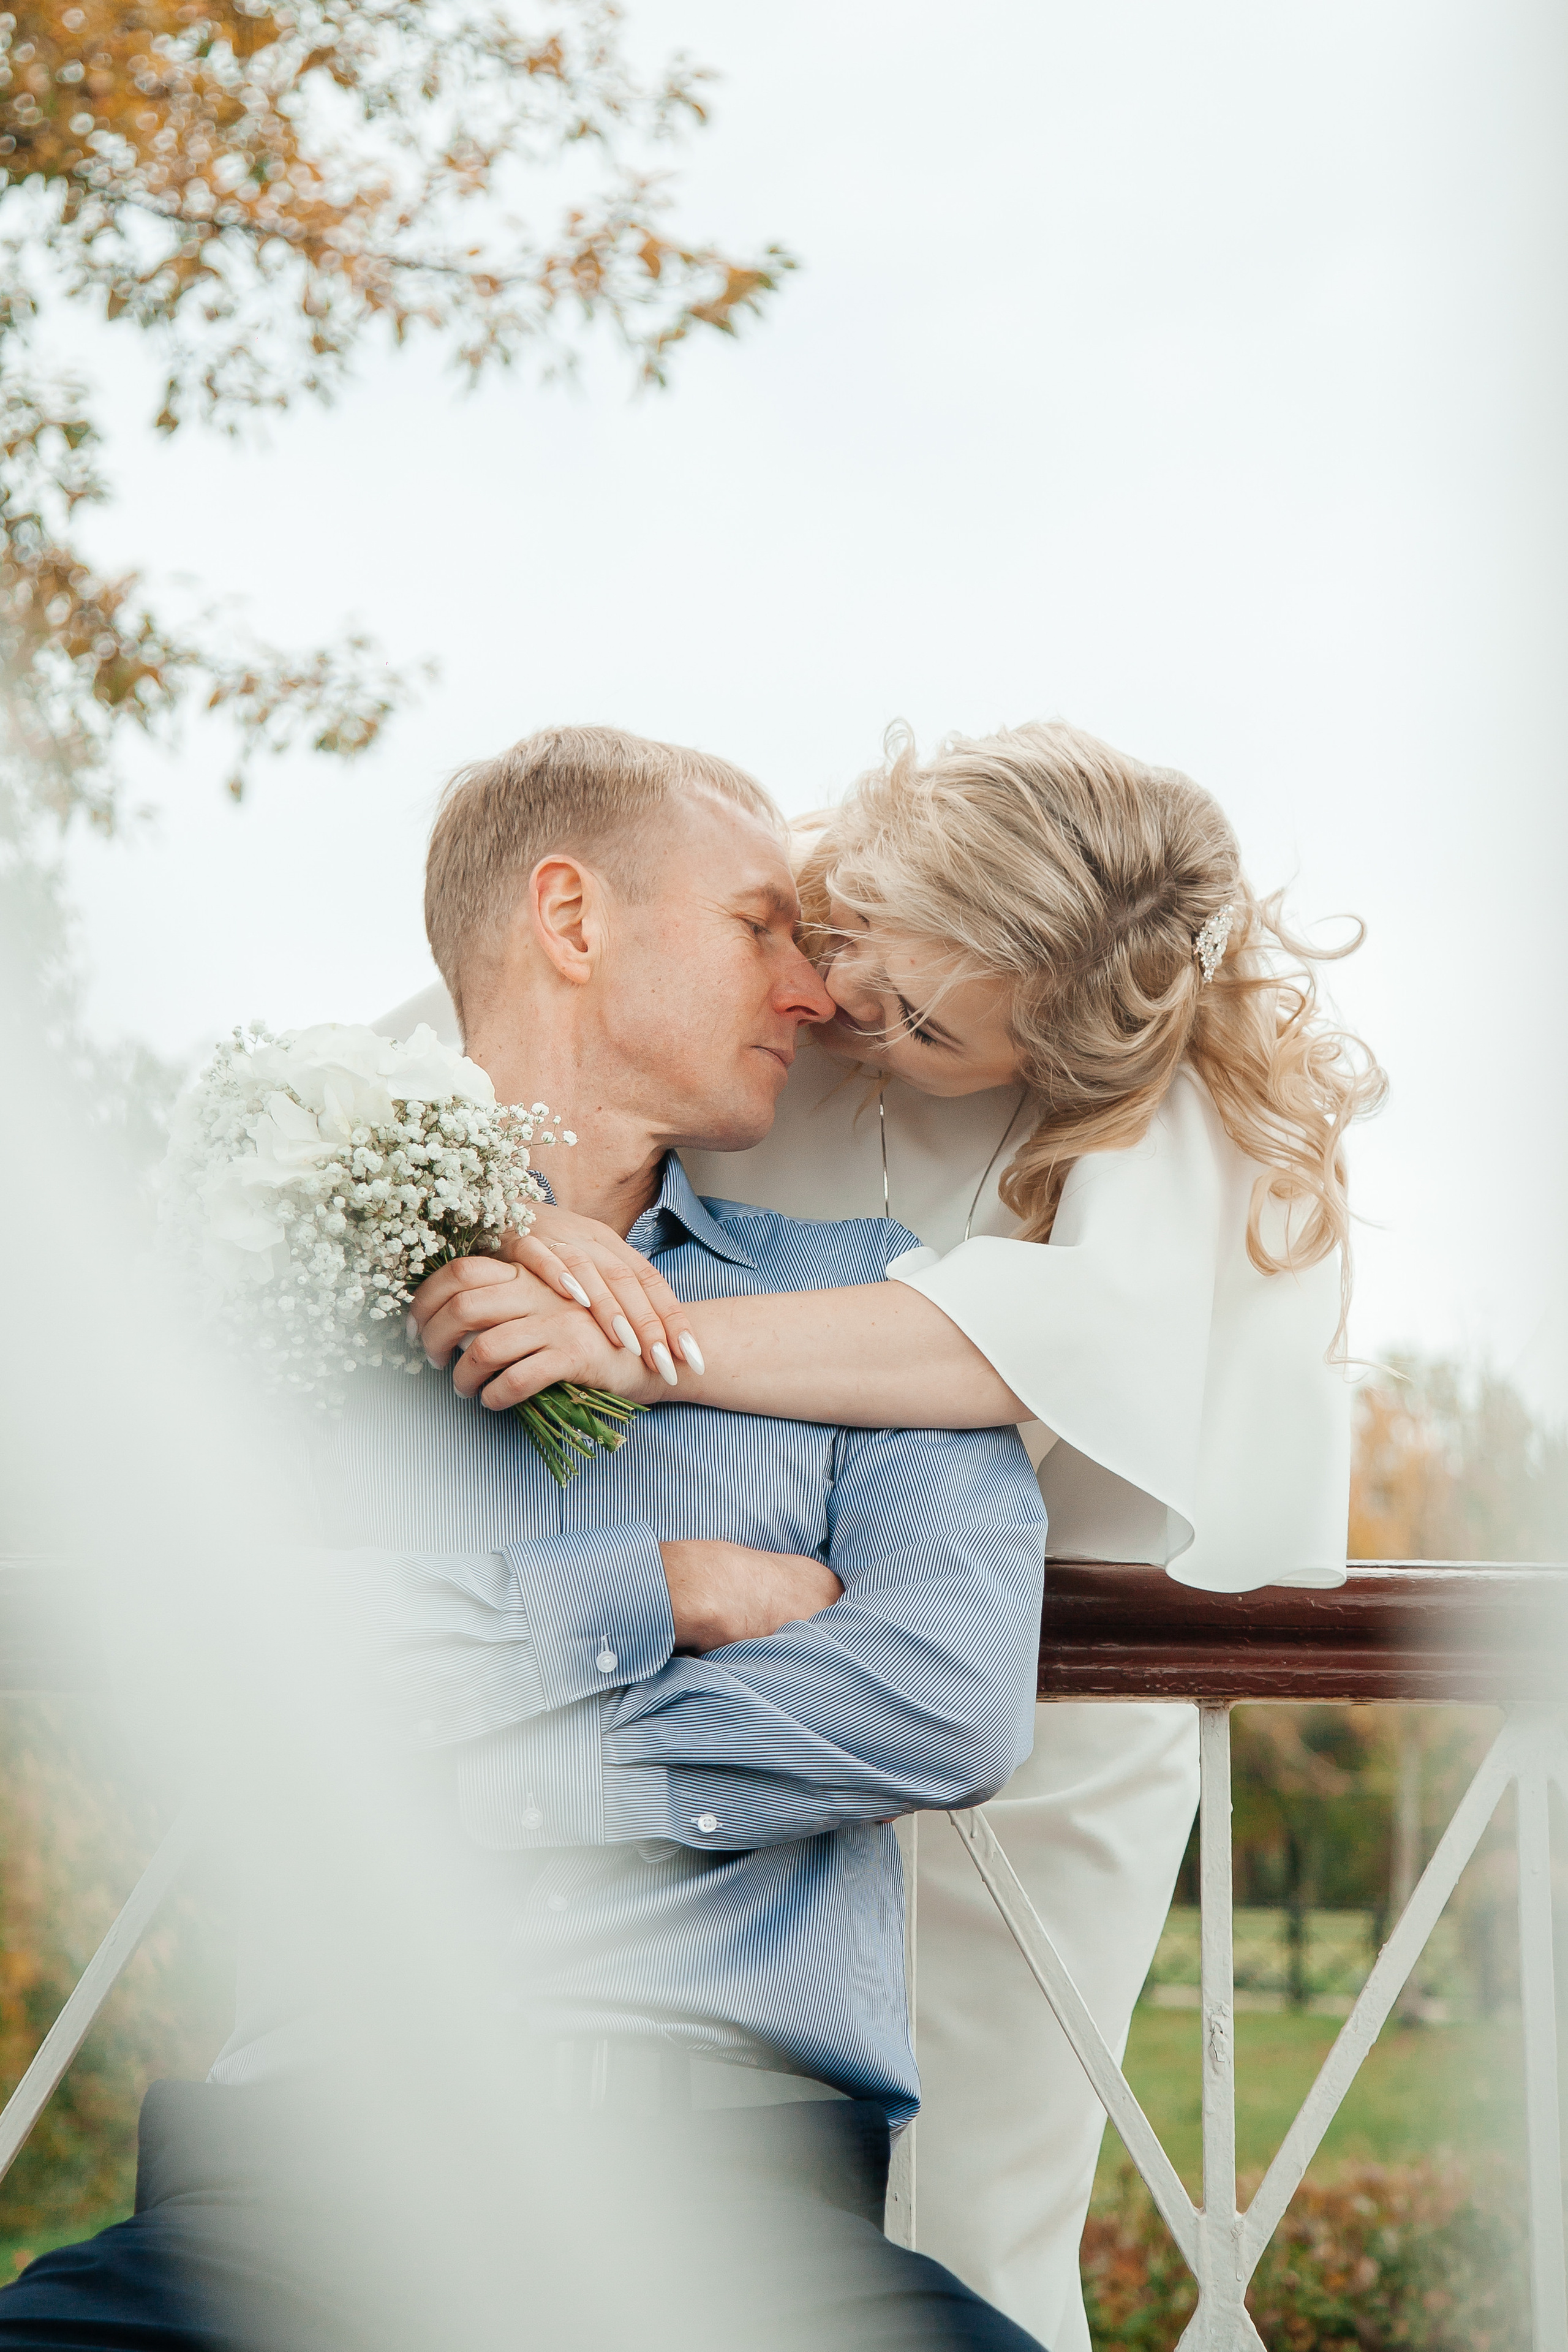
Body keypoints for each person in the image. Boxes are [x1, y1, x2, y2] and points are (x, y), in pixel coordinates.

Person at [0, 726, 1052, 2352]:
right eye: (761, 927)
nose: (815, 994)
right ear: (574, 920)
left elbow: (947, 1696)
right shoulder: (271, 1295)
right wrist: (659, 1593)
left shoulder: (868, 1302)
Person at [404, 718, 1385, 2351]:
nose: (843, 1010)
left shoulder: (1149, 1058)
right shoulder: (766, 937)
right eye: (855, 951)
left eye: (929, 1028)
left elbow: (1022, 1358)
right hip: (720, 1653)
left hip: (1020, 1729)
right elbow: (456, 1058)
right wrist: (492, 1195)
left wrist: (637, 1349)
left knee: (969, 2213)